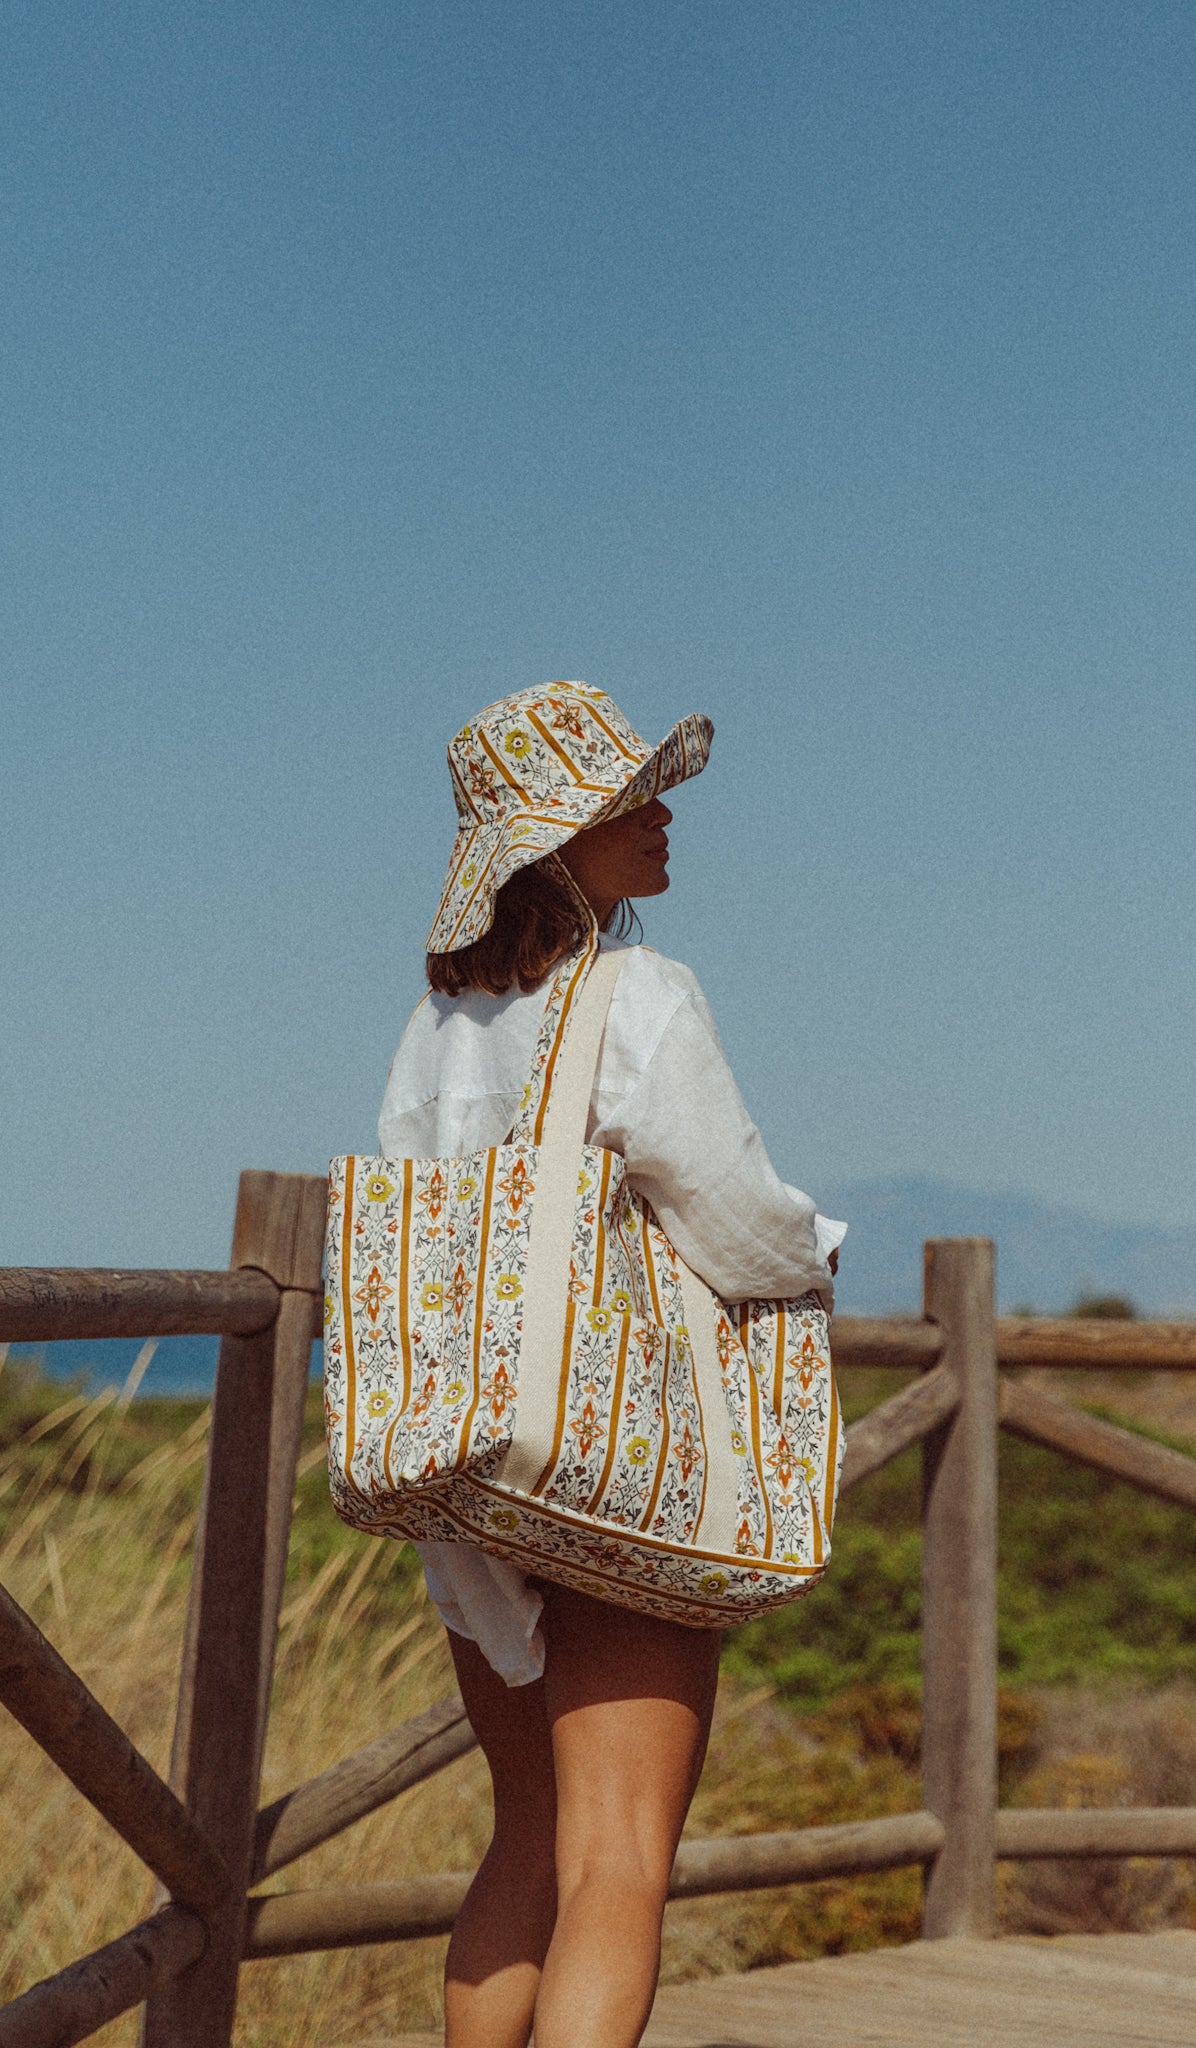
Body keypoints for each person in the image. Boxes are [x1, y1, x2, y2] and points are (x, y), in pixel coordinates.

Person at [378, 682, 843, 2048]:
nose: (662, 814)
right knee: (616, 1855)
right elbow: (730, 1210)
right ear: (551, 840)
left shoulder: (442, 1027)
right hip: (615, 1462)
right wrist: (816, 1257)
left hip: (469, 1464)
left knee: (527, 1837)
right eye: (625, 799)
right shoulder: (635, 992)